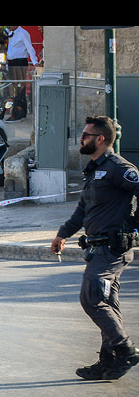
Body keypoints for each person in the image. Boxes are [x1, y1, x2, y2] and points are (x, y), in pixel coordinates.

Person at [51, 116, 139, 381]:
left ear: (101, 139)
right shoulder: (94, 169)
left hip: (113, 247)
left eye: (86, 135)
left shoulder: (118, 168)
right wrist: (62, 234)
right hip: (97, 247)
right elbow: (83, 209)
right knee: (107, 303)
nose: (81, 139)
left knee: (91, 298)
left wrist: (133, 226)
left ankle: (125, 351)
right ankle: (108, 362)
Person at [4, 26, 39, 121]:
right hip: (12, 63)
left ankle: (17, 113)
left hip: (19, 62)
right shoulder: (10, 33)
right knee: (15, 88)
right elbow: (11, 47)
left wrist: (35, 62)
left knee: (19, 88)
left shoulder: (23, 33)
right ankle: (19, 112)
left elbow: (29, 48)